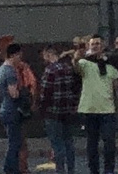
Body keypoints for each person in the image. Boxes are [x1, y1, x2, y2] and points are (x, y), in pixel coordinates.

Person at [39, 44, 82, 174]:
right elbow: (76, 88)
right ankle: (71, 170)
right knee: (69, 142)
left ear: (48, 54)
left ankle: (60, 170)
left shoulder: (50, 70)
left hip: (53, 112)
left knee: (57, 144)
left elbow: (45, 93)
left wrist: (42, 109)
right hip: (68, 112)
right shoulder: (69, 68)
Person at [80, 40, 118, 174]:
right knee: (92, 143)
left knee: (109, 142)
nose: (95, 46)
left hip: (107, 110)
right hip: (89, 109)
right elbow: (75, 66)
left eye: (98, 44)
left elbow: (116, 89)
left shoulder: (111, 66)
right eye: (93, 44)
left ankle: (109, 170)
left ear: (103, 47)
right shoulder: (84, 63)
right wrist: (79, 53)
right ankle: (94, 170)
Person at [0, 38, 37, 174]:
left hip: (4, 108)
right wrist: (24, 93)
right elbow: (14, 93)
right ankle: (10, 169)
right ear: (13, 55)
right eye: (19, 56)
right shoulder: (10, 72)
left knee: (13, 142)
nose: (20, 59)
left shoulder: (0, 70)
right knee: (15, 144)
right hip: (12, 111)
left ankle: (10, 169)